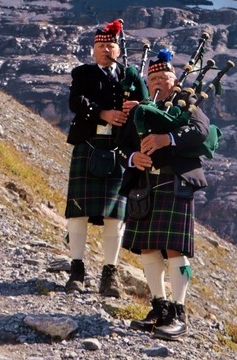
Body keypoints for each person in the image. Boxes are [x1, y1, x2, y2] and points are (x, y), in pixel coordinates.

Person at [119, 49, 211, 340]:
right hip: (144, 185)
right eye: (153, 77)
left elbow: (201, 131)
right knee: (147, 247)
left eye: (164, 77)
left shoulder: (187, 105)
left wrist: (166, 138)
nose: (158, 81)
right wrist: (134, 158)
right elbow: (121, 144)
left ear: (174, 79)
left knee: (174, 249)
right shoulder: (140, 110)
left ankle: (178, 311)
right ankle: (158, 307)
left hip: (175, 182)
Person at [63, 19, 147, 297]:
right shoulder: (83, 73)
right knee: (78, 211)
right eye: (99, 45)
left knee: (115, 217)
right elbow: (76, 102)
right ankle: (77, 269)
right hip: (88, 143)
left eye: (109, 45)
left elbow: (147, 109)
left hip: (119, 149)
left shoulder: (130, 75)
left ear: (118, 50)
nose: (104, 49)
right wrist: (103, 113)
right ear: (93, 50)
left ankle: (108, 274)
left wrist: (137, 107)